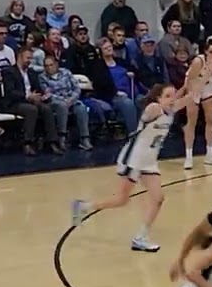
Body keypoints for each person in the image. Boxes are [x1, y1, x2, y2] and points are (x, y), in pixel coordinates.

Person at [70, 81, 192, 253]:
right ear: (158, 98)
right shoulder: (154, 108)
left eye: (173, 96)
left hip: (149, 162)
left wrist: (203, 76)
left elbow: (191, 96)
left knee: (158, 198)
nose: (172, 99)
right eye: (167, 96)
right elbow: (158, 106)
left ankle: (140, 237)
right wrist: (175, 96)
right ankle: (83, 207)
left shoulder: (170, 111)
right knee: (121, 200)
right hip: (134, 159)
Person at [182, 36, 212, 170]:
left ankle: (210, 153)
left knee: (210, 120)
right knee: (191, 122)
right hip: (194, 85)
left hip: (208, 86)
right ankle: (189, 156)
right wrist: (192, 97)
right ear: (206, 51)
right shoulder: (198, 61)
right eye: (211, 52)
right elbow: (190, 81)